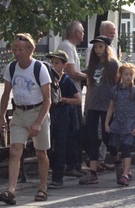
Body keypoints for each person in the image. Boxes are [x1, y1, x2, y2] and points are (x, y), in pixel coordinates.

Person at [0, 34, 52, 205]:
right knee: (15, 151)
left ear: (30, 50)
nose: (16, 52)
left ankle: (42, 188)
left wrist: (38, 122)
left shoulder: (39, 68)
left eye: (20, 49)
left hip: (37, 111)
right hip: (19, 113)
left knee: (41, 152)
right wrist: (2, 116)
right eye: (14, 49)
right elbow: (5, 95)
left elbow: (47, 99)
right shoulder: (11, 68)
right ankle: (11, 190)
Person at [79, 35, 120, 186]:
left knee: (107, 137)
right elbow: (90, 86)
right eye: (95, 47)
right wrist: (86, 106)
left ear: (106, 48)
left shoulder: (113, 64)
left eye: (100, 47)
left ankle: (118, 162)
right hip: (93, 105)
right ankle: (93, 172)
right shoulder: (93, 64)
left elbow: (117, 85)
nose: (97, 50)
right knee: (92, 139)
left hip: (107, 106)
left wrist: (116, 105)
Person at [47, 50, 82, 190]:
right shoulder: (48, 79)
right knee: (48, 146)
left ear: (64, 65)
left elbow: (78, 100)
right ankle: (52, 169)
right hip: (50, 113)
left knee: (61, 145)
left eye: (56, 63)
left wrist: (65, 100)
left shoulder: (67, 80)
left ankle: (57, 177)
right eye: (52, 62)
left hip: (63, 115)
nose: (53, 65)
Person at [104, 63, 135, 187]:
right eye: (126, 74)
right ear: (120, 75)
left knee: (126, 147)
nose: (128, 77)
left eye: (131, 75)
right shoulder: (115, 90)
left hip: (130, 124)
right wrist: (106, 122)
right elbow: (111, 107)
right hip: (118, 123)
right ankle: (127, 169)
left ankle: (125, 174)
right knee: (114, 147)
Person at [57, 21, 86, 177]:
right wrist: (90, 77)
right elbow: (72, 73)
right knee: (72, 131)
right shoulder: (67, 46)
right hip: (69, 95)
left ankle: (76, 163)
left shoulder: (71, 46)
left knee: (76, 130)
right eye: (81, 31)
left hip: (74, 95)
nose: (83, 33)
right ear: (76, 32)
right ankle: (71, 165)